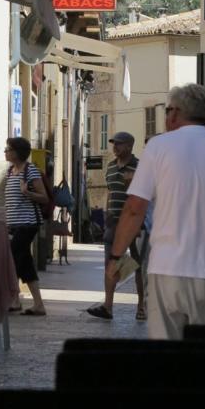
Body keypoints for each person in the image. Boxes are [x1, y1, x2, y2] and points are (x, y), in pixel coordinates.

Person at [107, 84, 205, 340]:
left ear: (174, 113)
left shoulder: (157, 147)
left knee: (167, 361)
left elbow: (133, 210)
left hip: (166, 270)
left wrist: (116, 256)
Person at [87, 131, 146, 321]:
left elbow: (144, 195)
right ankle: (108, 306)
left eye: (119, 144)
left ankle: (141, 306)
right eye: (114, 144)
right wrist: (106, 215)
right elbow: (111, 192)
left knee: (139, 265)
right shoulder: (111, 167)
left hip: (135, 222)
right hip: (113, 222)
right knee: (110, 263)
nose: (115, 147)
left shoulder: (140, 166)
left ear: (129, 146)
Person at [4, 136, 48, 316]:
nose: (5, 152)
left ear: (17, 152)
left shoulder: (30, 171)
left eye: (8, 149)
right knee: (25, 263)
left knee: (13, 259)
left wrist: (27, 192)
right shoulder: (10, 171)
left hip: (28, 223)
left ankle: (15, 300)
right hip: (14, 224)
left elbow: (44, 198)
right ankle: (38, 304)